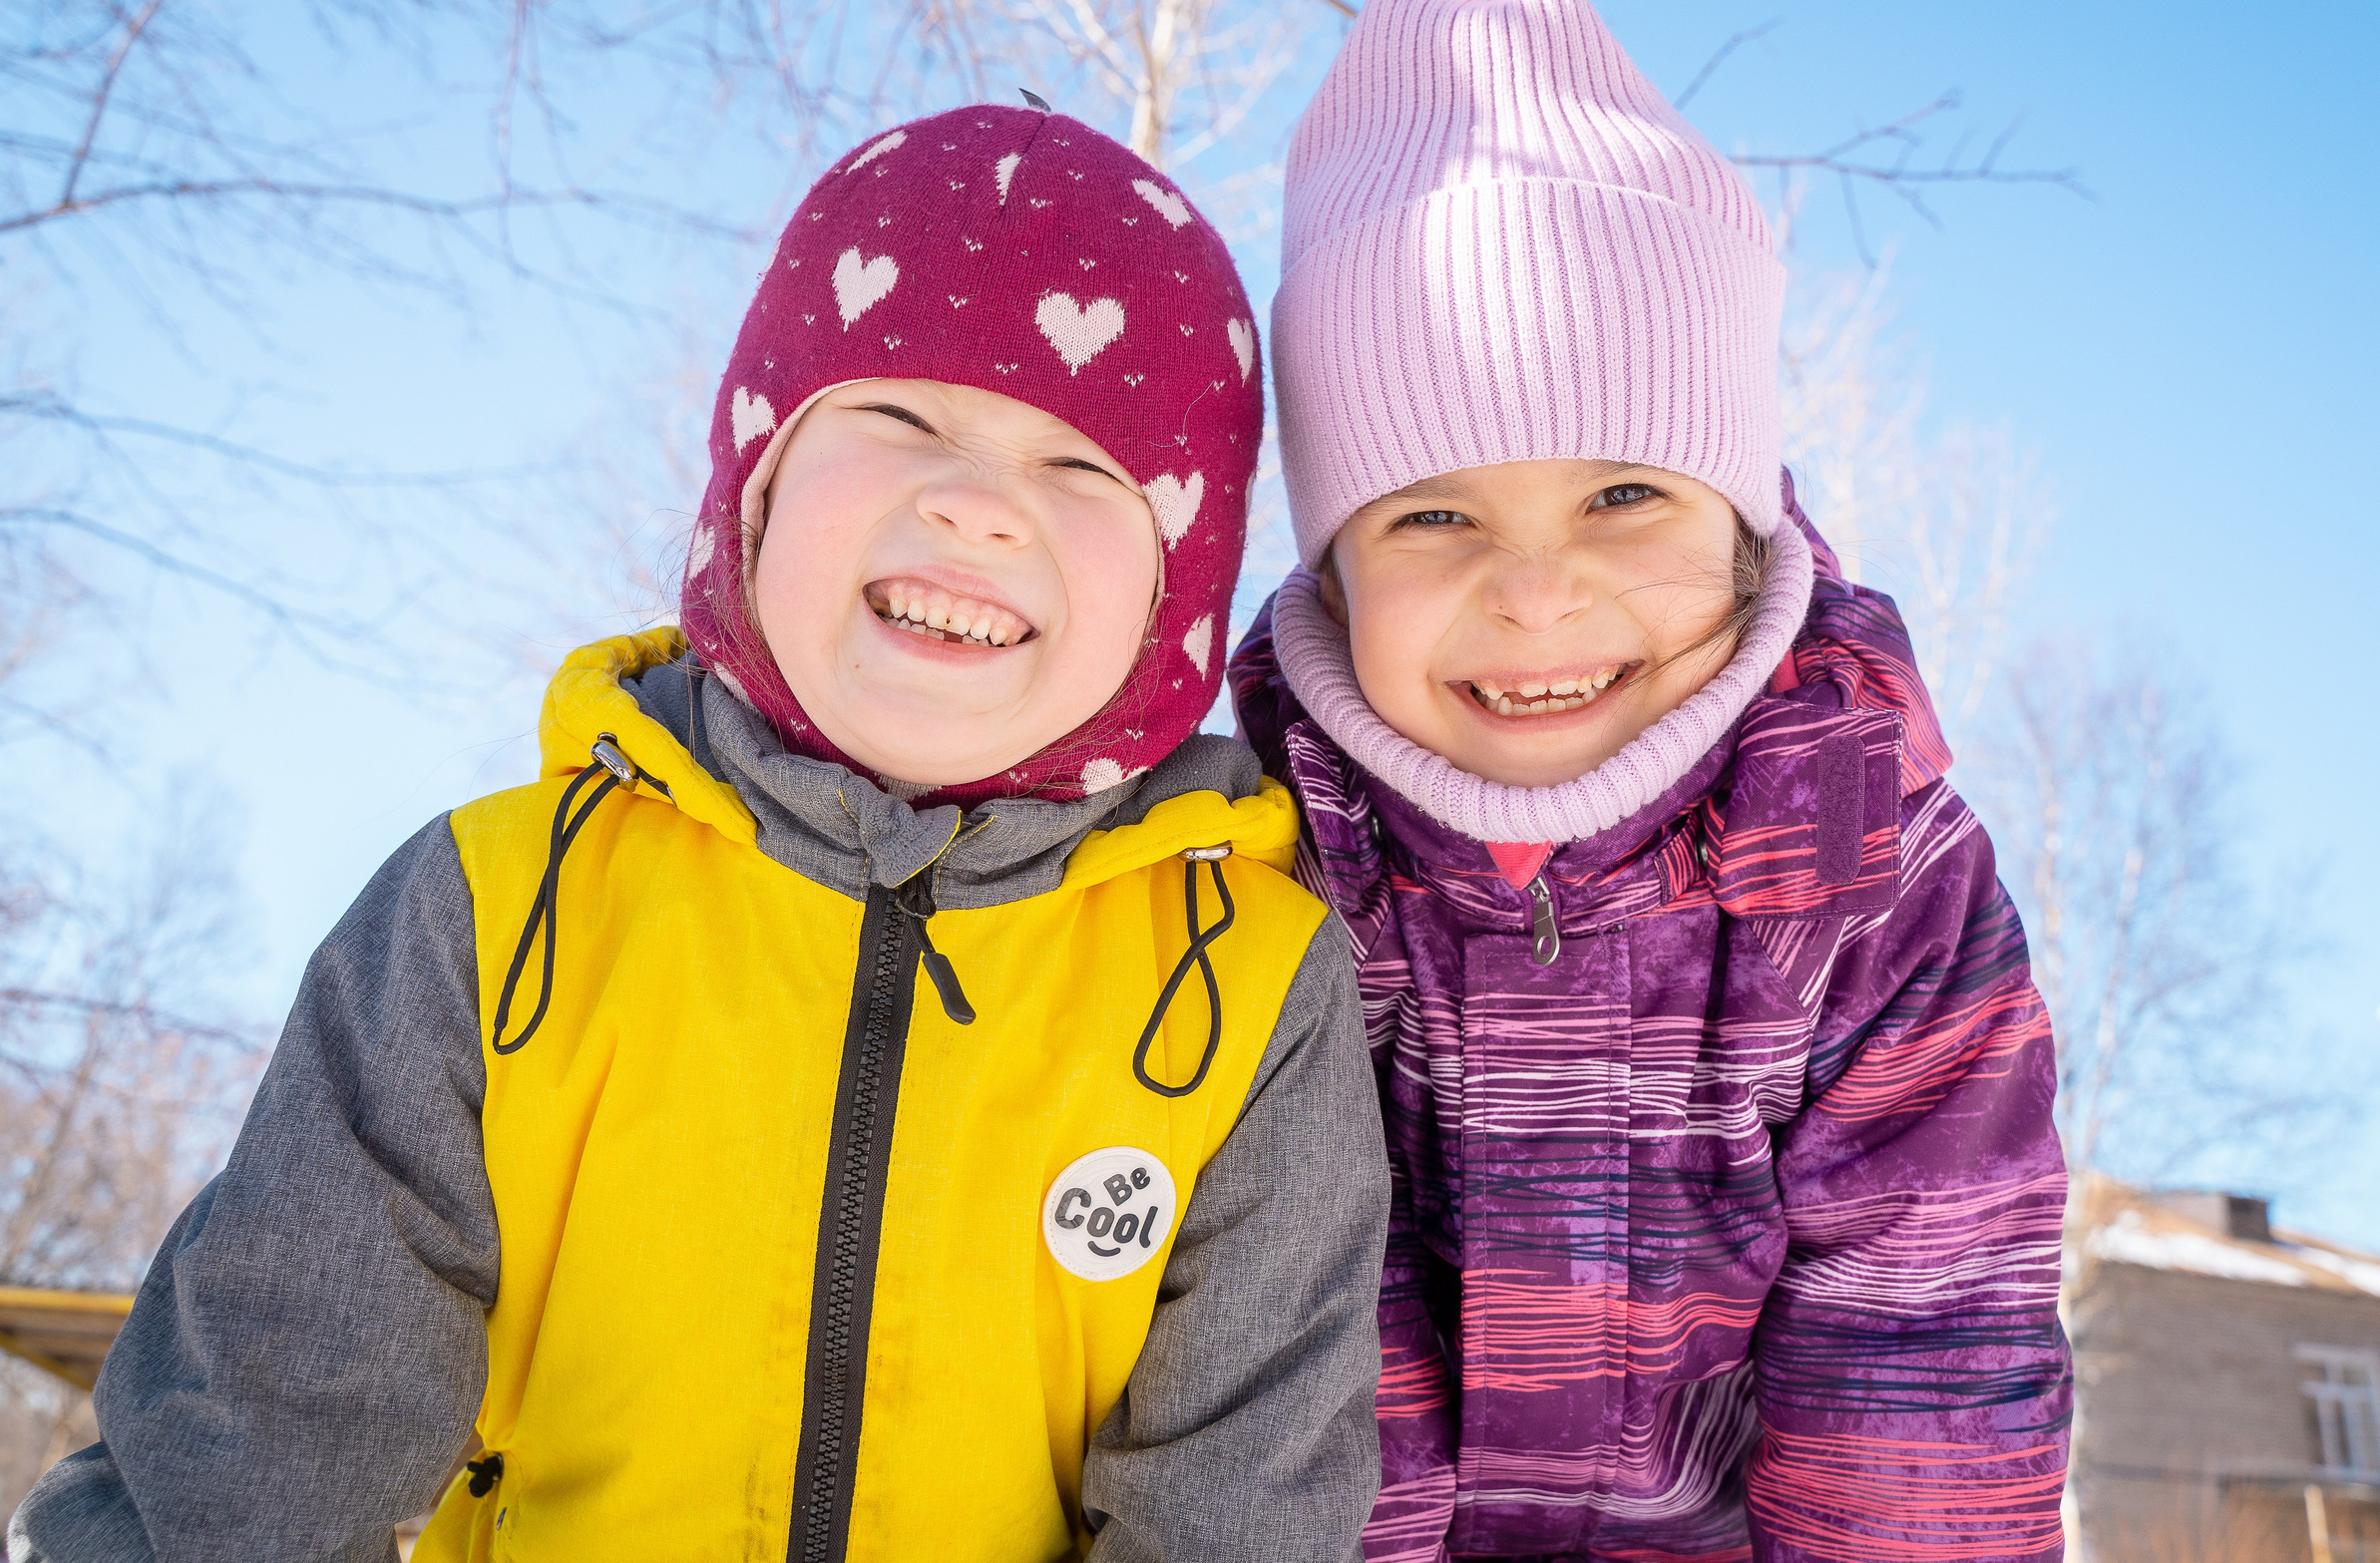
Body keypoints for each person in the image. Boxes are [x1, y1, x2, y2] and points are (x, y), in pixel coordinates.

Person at [10, 104, 1388, 1563]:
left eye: (1084, 470)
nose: (978, 505)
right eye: (900, 416)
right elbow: (261, 1441)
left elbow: (1238, 1512)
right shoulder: (494, 905)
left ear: (1178, 591)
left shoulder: (1250, 987)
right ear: (758, 483)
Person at [1230, 0, 2071, 1563]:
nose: (1538, 594)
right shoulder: (1259, 862)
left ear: (1747, 515)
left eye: (1623, 493)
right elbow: (1268, 1339)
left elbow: (1926, 1340)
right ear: (1329, 567)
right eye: (1434, 516)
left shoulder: (1873, 879)